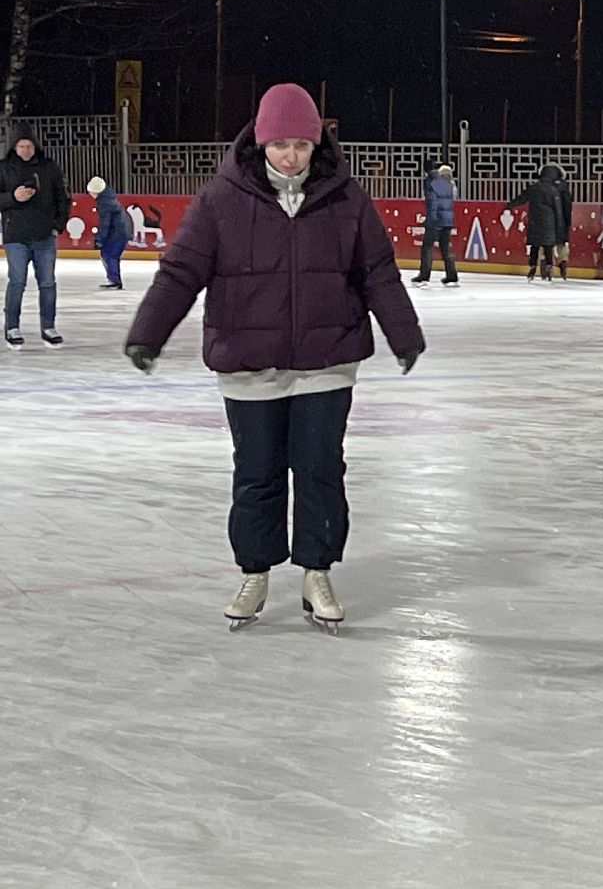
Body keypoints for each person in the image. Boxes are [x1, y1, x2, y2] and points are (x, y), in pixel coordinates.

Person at [123, 83, 425, 633]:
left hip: (326, 360)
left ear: (318, 145)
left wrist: (404, 334)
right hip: (248, 361)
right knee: (257, 474)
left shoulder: (347, 199)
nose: (291, 155)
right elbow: (180, 271)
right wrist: (149, 333)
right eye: (280, 144)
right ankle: (255, 572)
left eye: (301, 145)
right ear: (261, 142)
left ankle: (316, 571)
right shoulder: (220, 200)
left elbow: (377, 271)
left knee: (320, 471)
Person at [1, 125, 71, 348]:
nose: (25, 150)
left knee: (47, 283)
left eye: (29, 145)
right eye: (21, 146)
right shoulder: (4, 168)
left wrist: (57, 226)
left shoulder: (49, 168)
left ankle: (48, 327)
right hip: (16, 237)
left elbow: (63, 197)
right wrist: (13, 197)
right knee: (17, 282)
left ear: (35, 146)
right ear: (14, 147)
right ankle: (12, 327)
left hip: (44, 237)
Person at [504, 165, 567, 282]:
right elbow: (558, 209)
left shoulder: (534, 188)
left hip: (535, 220)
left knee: (535, 245)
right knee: (548, 246)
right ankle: (548, 265)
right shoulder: (554, 191)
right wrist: (560, 225)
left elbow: (522, 198)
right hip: (549, 221)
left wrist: (510, 204)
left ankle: (533, 266)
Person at [413, 162, 459, 287]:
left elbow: (432, 201)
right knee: (446, 248)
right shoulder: (448, 183)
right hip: (447, 220)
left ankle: (424, 275)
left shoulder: (430, 181)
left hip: (435, 219)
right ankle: (452, 275)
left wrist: (431, 219)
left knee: (427, 247)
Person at [88, 176, 131, 290]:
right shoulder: (108, 198)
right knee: (108, 254)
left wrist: (100, 239)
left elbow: (105, 223)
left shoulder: (104, 203)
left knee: (110, 255)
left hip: (118, 233)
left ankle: (115, 281)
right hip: (120, 231)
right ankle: (114, 279)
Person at [555, 166, 574, 280]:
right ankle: (563, 262)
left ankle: (544, 263)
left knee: (544, 243)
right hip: (561, 218)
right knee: (561, 244)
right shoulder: (564, 187)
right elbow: (567, 205)